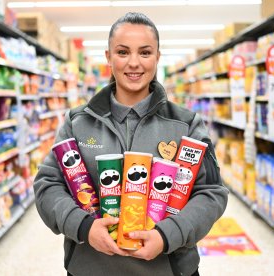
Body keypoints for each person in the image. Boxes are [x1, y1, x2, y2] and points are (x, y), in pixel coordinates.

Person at [33, 12, 228, 276]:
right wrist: (84, 228)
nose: (134, 63)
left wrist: (167, 235)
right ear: (108, 58)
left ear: (158, 58)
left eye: (145, 53)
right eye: (123, 52)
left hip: (168, 268)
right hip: (92, 268)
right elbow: (47, 186)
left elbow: (212, 193)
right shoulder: (77, 122)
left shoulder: (186, 124)